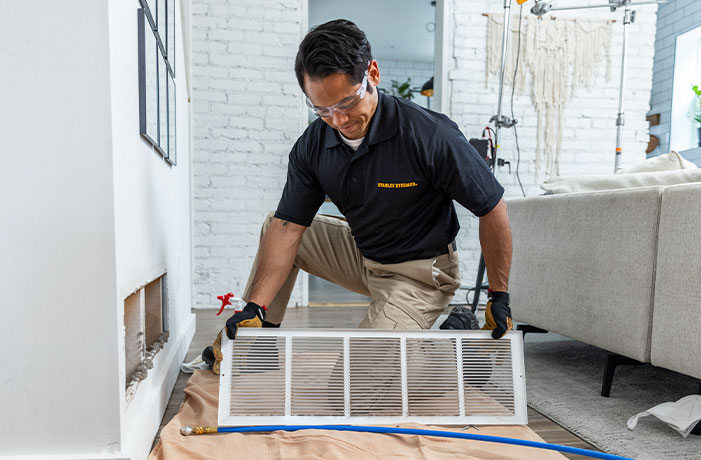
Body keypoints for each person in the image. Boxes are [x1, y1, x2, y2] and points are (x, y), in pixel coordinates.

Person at [203, 19, 513, 372]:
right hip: (364, 252)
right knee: (274, 226)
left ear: (373, 74)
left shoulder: (428, 135)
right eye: (322, 109)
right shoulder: (312, 146)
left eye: (347, 102)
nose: (338, 119)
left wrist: (499, 296)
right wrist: (254, 307)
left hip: (420, 273)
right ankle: (259, 347)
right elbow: (288, 227)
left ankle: (458, 357)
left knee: (351, 391)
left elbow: (492, 207)